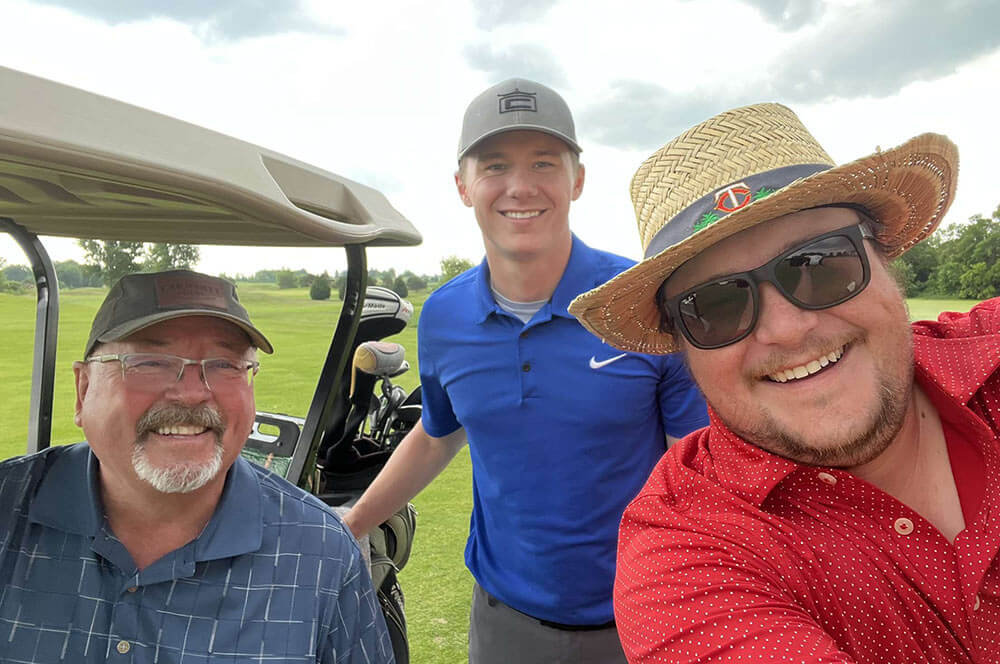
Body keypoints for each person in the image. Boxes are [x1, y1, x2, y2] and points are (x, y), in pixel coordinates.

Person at [568, 103, 1000, 663]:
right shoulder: (686, 556)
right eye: (717, 305)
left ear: (883, 256)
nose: (787, 329)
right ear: (683, 346)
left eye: (820, 262)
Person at [344, 78, 708, 663]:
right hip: (504, 621)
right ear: (463, 186)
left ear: (578, 180)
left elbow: (694, 465)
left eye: (544, 162)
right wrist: (356, 522)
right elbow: (438, 435)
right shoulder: (444, 316)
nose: (520, 186)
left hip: (644, 616)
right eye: (494, 166)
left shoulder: (641, 301)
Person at [0, 269, 394, 663]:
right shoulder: (7, 508)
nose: (191, 393)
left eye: (225, 364)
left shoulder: (320, 552)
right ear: (84, 390)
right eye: (149, 362)